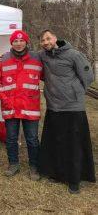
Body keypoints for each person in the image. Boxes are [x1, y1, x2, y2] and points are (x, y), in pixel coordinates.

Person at [37, 29, 95, 194]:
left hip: (72, 107)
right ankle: (58, 173)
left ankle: (75, 179)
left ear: (55, 38)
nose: (46, 42)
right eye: (43, 40)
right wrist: (3, 56)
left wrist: (75, 91)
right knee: (57, 141)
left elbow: (88, 76)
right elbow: (26, 57)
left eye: (48, 38)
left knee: (73, 144)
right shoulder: (43, 56)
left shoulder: (74, 54)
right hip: (54, 106)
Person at [0, 30, 42, 180]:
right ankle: (13, 164)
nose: (18, 44)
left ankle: (34, 166)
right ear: (11, 43)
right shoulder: (3, 59)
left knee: (32, 139)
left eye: (21, 41)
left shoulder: (37, 59)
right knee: (11, 138)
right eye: (15, 41)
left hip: (30, 107)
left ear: (26, 42)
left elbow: (47, 75)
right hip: (10, 107)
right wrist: (3, 97)